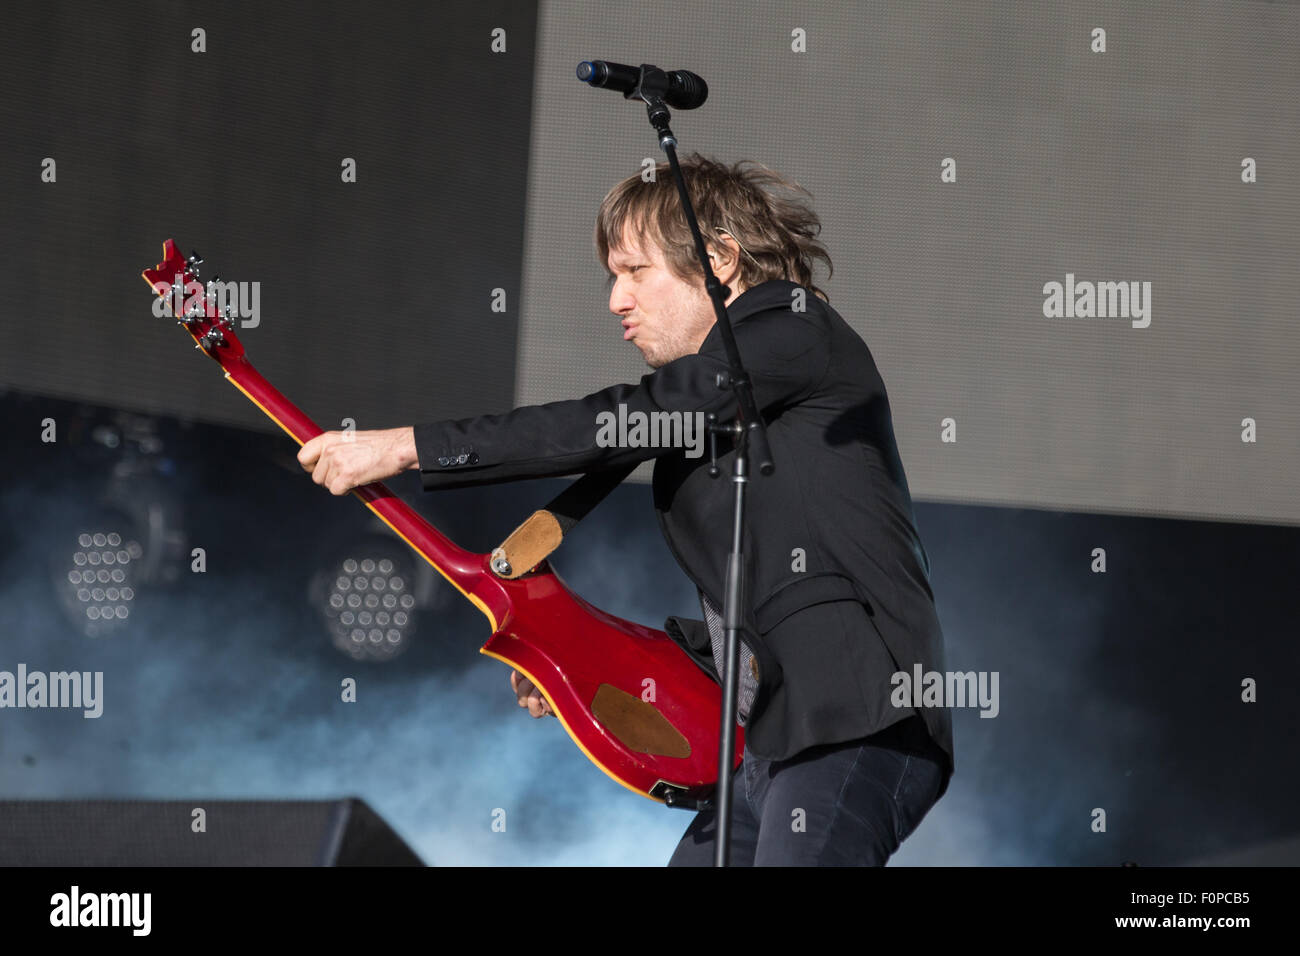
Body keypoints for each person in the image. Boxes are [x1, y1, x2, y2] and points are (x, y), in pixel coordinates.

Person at [297, 154, 954, 865]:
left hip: (854, 721)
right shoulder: (719, 415)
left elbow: (620, 418)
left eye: (635, 271)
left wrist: (408, 446)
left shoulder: (795, 327)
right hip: (767, 746)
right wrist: (581, 667)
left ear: (721, 260)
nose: (616, 299)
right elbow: (746, 627)